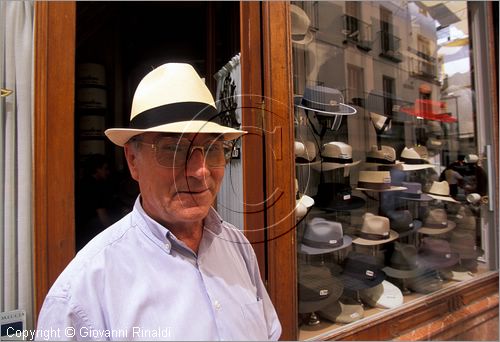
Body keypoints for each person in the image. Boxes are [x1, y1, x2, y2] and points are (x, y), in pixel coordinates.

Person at [36, 63, 282, 340]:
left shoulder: (238, 247)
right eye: (174, 150)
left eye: (213, 149)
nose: (200, 171)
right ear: (133, 161)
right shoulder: (83, 293)